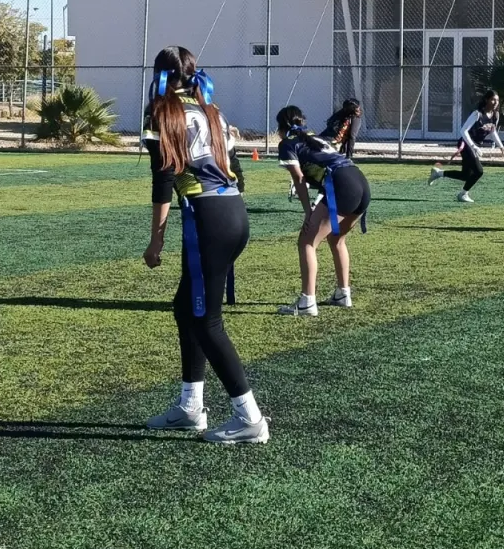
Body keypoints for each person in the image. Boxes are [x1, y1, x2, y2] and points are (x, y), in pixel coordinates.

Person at [141, 46, 268, 445]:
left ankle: (249, 417)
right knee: (186, 308)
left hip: (207, 216)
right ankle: (190, 407)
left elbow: (163, 179)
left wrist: (156, 239)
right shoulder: (210, 108)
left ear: (161, 76)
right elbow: (235, 169)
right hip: (232, 211)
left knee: (206, 321)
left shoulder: (163, 112)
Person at [275, 105, 370, 317]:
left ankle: (307, 301)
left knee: (307, 241)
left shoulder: (287, 144)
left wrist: (308, 210)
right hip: (360, 181)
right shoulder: (316, 138)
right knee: (337, 239)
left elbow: (299, 179)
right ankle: (342, 293)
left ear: (281, 127)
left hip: (343, 185)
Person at [428, 89, 504, 203]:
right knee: (479, 171)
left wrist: (501, 146)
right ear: (486, 100)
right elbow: (463, 131)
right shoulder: (477, 114)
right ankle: (463, 194)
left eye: (497, 100)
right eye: (493, 99)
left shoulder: (496, 115)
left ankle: (438, 173)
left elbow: (492, 131)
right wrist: (473, 146)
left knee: (466, 175)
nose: (495, 102)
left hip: (475, 145)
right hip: (465, 143)